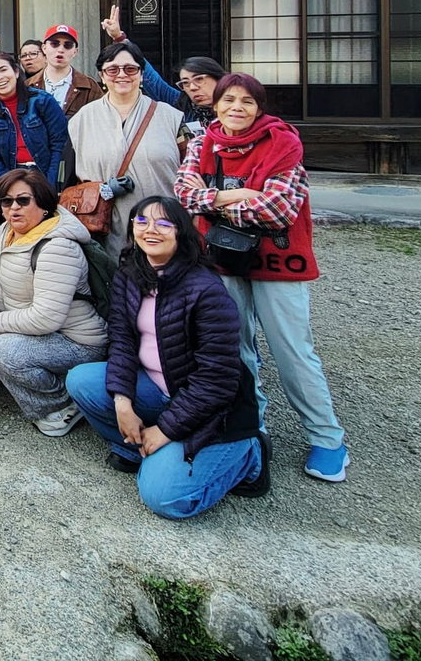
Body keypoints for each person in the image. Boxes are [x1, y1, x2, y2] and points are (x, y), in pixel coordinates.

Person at [174, 73, 349, 483]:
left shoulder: (282, 142)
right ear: (216, 105)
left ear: (259, 107)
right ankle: (252, 423)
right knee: (234, 347)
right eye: (228, 100)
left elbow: (279, 209)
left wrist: (213, 200)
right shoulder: (204, 141)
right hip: (220, 256)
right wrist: (239, 195)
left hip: (278, 259)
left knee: (292, 350)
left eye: (247, 102)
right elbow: (184, 194)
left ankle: (327, 437)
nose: (237, 108)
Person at [66, 198, 269, 518]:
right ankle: (136, 448)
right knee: (81, 380)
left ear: (182, 233)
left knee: (163, 497)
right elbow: (121, 339)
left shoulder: (205, 289)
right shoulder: (131, 273)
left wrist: (165, 431)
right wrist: (123, 402)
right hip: (158, 388)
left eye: (163, 224)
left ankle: (249, 456)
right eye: (142, 222)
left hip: (214, 411)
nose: (151, 230)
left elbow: (217, 382)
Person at [0, 170, 105, 435]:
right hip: (34, 316)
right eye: (6, 201)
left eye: (23, 200)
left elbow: (47, 317)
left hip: (75, 341)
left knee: (4, 350)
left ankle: (60, 404)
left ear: (44, 204)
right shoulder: (13, 230)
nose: (14, 207)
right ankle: (1, 368)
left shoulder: (57, 247)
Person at [68, 39, 184, 261]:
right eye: (112, 69)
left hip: (163, 228)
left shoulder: (170, 117)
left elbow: (190, 172)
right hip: (104, 231)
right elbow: (70, 179)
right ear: (102, 75)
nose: (122, 74)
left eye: (130, 68)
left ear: (141, 74)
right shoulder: (81, 120)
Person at [97, 6, 222, 132]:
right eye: (185, 83)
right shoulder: (181, 103)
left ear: (217, 78)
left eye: (199, 79)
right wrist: (119, 38)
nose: (193, 87)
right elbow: (152, 80)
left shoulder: (236, 103)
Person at [0, 52, 70, 189]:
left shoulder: (42, 101)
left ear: (15, 72)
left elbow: (60, 145)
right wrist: (7, 185)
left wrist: (50, 183)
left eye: (3, 70)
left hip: (45, 174)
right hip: (11, 177)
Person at [29, 24, 102, 118]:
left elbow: (100, 121)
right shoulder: (28, 86)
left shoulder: (89, 87)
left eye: (68, 45)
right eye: (54, 44)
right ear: (44, 48)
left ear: (75, 51)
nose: (60, 49)